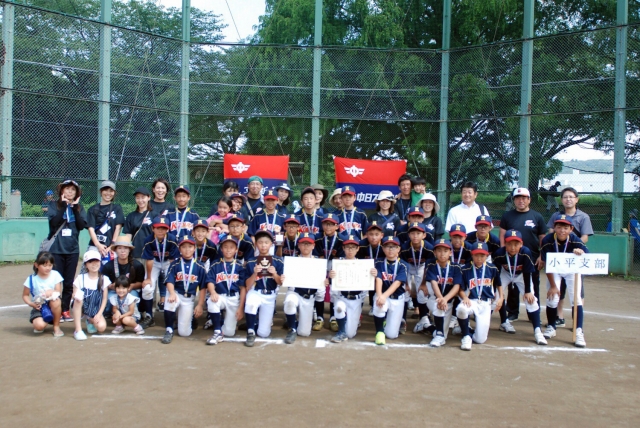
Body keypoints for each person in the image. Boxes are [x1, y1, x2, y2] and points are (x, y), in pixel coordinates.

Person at [547, 187, 594, 327]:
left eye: (571, 197)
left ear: (576, 199)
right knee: (559, 288)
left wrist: (574, 246)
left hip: (575, 257)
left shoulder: (583, 216)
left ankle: (576, 322)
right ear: (561, 200)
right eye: (565, 197)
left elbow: (585, 237)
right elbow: (551, 232)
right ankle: (559, 317)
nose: (568, 199)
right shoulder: (556, 215)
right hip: (559, 257)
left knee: (577, 290)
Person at [498, 187, 546, 322]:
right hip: (512, 257)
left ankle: (534, 313)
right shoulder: (507, 216)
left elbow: (542, 237)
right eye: (518, 198)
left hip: (532, 258)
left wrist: (542, 256)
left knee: (533, 286)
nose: (521, 201)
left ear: (529, 200)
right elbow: (502, 235)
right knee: (512, 286)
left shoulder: (537, 216)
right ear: (514, 200)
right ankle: (512, 312)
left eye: (524, 198)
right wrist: (504, 254)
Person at [540, 215, 589, 347]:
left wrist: (581, 252)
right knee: (553, 298)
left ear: (571, 229)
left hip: (571, 271)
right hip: (554, 270)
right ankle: (551, 327)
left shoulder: (575, 239)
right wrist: (553, 286)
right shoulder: (548, 240)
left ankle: (579, 332)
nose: (562, 230)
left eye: (566, 228)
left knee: (576, 299)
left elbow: (587, 255)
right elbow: (547, 265)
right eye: (559, 227)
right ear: (554, 228)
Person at [492, 230, 547, 345]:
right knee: (495, 298)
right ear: (505, 244)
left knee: (531, 300)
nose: (513, 247)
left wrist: (528, 291)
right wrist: (497, 292)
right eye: (509, 244)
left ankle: (538, 331)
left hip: (521, 275)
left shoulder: (525, 252)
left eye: (516, 244)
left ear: (521, 244)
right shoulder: (499, 253)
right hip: (505, 274)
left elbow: (527, 272)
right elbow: (495, 274)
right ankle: (504, 322)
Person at [46, 179, 87, 322]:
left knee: (69, 283)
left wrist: (74, 209)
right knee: (56, 281)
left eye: (73, 189)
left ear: (77, 193)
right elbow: (53, 223)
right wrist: (64, 206)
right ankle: (55, 308)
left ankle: (65, 309)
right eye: (67, 189)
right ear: (61, 191)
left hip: (72, 250)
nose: (70, 192)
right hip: (56, 249)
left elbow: (82, 226)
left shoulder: (79, 207)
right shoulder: (54, 205)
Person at [328, 235, 377, 343]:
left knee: (350, 334)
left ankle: (346, 323)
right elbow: (330, 282)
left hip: (356, 299)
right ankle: (341, 331)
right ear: (343, 248)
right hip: (342, 296)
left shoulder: (363, 264)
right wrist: (330, 276)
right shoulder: (338, 263)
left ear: (357, 249)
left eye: (353, 247)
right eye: (348, 247)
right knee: (339, 307)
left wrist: (373, 274)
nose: (350, 250)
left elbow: (369, 281)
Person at [161, 236, 208, 344]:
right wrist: (172, 293)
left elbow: (203, 287)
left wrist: (200, 305)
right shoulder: (175, 264)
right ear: (180, 249)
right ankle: (169, 329)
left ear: (194, 248)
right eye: (184, 247)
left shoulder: (199, 266)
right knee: (170, 302)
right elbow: (169, 281)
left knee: (184, 333)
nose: (187, 249)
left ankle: (190, 319)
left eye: (190, 247)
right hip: (176, 293)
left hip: (189, 299)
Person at [456, 242, 503, 351]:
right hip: (471, 301)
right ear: (472, 254)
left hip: (486, 303)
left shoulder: (492, 268)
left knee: (480, 340)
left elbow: (499, 284)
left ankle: (466, 329)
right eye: (476, 255)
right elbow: (460, 289)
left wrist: (501, 298)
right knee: (461, 309)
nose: (479, 258)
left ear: (487, 255)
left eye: (482, 255)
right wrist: (465, 297)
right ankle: (466, 336)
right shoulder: (466, 269)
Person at [243, 230, 284, 347]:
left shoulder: (277, 261)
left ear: (271, 244)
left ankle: (254, 323)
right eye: (260, 242)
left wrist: (274, 274)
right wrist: (254, 274)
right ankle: (250, 330)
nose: (263, 245)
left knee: (264, 333)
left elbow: (280, 283)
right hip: (256, 292)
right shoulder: (251, 261)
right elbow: (247, 285)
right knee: (251, 302)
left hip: (270, 295)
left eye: (266, 242)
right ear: (256, 244)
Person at [283, 232, 324, 343]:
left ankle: (294, 322)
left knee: (304, 333)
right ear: (299, 245)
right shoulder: (292, 261)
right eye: (303, 244)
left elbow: (320, 288)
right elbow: (288, 281)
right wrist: (284, 277)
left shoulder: (318, 262)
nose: (306, 246)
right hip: (295, 293)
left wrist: (324, 281)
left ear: (313, 246)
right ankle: (292, 329)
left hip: (309, 297)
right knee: (290, 301)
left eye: (308, 244)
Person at [205, 235, 247, 345]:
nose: (228, 250)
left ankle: (219, 321)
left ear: (236, 250)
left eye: (231, 247)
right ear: (221, 249)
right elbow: (210, 281)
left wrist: (241, 308)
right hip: (220, 296)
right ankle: (217, 331)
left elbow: (243, 288)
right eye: (225, 247)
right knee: (212, 301)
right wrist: (213, 292)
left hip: (234, 298)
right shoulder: (216, 264)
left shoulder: (239, 266)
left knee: (229, 332)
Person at [422, 239, 462, 347]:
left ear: (450, 252)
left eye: (445, 250)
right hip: (434, 299)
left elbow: (457, 286)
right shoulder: (432, 266)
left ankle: (427, 326)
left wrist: (445, 299)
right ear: (434, 253)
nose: (442, 253)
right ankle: (439, 334)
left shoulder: (456, 267)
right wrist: (441, 298)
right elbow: (434, 284)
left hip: (448, 302)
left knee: (444, 335)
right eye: (439, 250)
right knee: (438, 306)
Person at [372, 236, 409, 345]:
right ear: (383, 249)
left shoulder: (403, 265)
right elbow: (378, 279)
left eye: (393, 247)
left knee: (392, 335)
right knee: (379, 305)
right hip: (383, 295)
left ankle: (385, 322)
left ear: (398, 249)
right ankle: (379, 332)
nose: (390, 249)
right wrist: (380, 296)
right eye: (387, 246)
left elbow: (397, 283)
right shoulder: (378, 262)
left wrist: (383, 296)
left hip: (397, 298)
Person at [140, 217, 180, 317]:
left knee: (172, 287)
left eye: (163, 228)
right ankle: (149, 315)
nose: (161, 231)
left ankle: (171, 315)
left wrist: (172, 278)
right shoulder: (148, 240)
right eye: (158, 228)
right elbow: (149, 260)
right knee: (147, 288)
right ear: (153, 228)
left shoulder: (172, 239)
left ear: (167, 229)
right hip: (154, 263)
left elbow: (172, 261)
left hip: (168, 263)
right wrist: (148, 278)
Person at [399, 222, 434, 332]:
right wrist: (406, 284)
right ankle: (402, 319)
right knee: (405, 291)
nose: (415, 236)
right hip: (409, 267)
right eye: (412, 233)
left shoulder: (429, 248)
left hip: (422, 267)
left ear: (424, 235)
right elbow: (403, 267)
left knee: (422, 292)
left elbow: (428, 266)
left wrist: (423, 284)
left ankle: (424, 318)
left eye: (418, 233)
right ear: (408, 235)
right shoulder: (404, 248)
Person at [72, 250, 111, 340]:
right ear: (86, 265)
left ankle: (90, 320)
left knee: (101, 327)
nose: (94, 264)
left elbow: (104, 299)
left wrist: (99, 314)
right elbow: (74, 293)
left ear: (100, 262)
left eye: (96, 261)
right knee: (78, 299)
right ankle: (78, 330)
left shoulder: (104, 279)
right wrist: (77, 297)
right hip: (82, 307)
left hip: (95, 309)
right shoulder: (80, 278)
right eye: (90, 262)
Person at [22, 252, 64, 337]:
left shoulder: (55, 274)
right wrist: (31, 304)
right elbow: (25, 295)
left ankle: (56, 326)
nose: (48, 268)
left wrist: (52, 292)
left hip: (53, 304)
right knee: (39, 326)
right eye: (44, 265)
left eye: (50, 265)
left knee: (56, 301)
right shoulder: (31, 279)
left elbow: (58, 291)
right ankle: (45, 319)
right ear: (36, 265)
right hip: (39, 306)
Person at [101, 237, 144, 316]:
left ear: (129, 250)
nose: (122, 251)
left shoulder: (137, 265)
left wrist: (131, 286)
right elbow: (102, 283)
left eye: (125, 248)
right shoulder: (108, 266)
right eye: (119, 248)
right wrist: (111, 286)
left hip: (130, 291)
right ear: (115, 250)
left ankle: (131, 315)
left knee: (133, 297)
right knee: (109, 300)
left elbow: (141, 283)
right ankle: (112, 313)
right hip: (114, 291)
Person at [314, 213, 343, 331]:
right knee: (320, 291)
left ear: (337, 226)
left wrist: (330, 278)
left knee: (334, 292)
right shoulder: (318, 238)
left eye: (331, 224)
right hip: (321, 264)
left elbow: (339, 261)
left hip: (335, 265)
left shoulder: (342, 239)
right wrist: (323, 276)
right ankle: (319, 317)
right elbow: (318, 259)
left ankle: (333, 318)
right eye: (326, 224)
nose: (328, 227)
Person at [86, 180, 124, 266]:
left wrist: (112, 245)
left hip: (111, 247)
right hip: (94, 246)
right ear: (101, 192)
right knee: (91, 270)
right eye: (105, 190)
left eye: (111, 191)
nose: (108, 193)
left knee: (112, 272)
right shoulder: (93, 209)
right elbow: (90, 229)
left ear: (114, 193)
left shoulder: (117, 208)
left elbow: (118, 228)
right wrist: (98, 245)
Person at [123, 187, 154, 262]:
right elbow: (128, 236)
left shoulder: (155, 215)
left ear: (149, 198)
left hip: (151, 253)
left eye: (143, 197)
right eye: (137, 198)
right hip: (135, 254)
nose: (140, 200)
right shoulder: (131, 216)